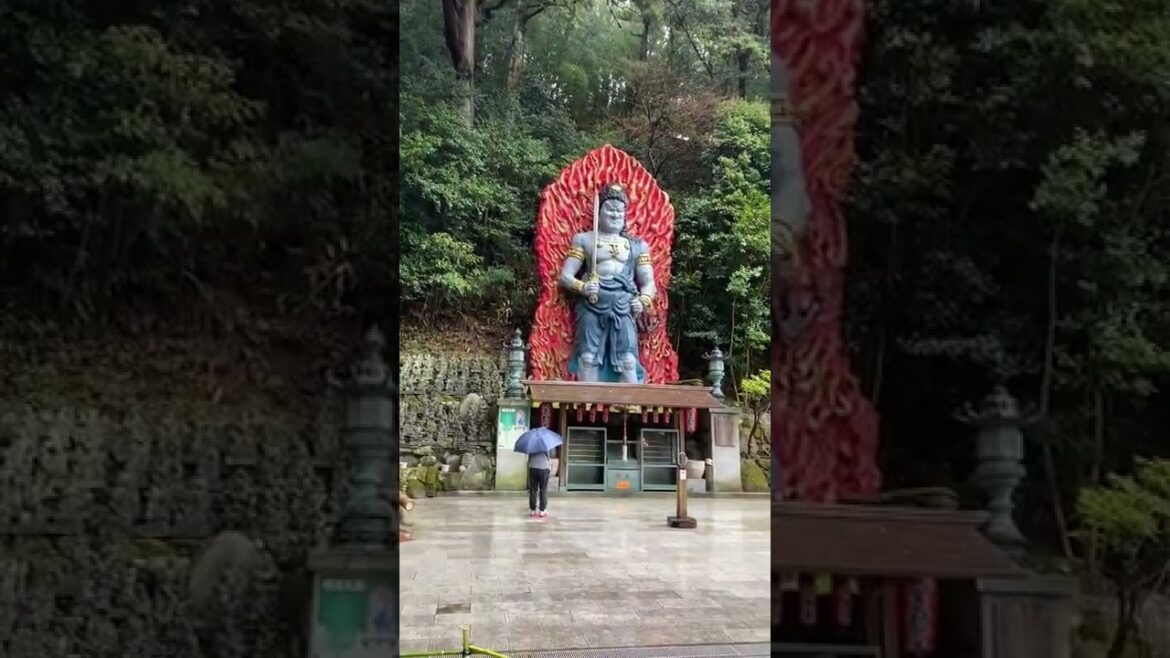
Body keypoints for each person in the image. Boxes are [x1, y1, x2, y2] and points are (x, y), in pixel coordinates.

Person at [528, 450, 552, 517]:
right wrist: (549, 466)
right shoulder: (545, 444)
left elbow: (529, 457)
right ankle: (542, 510)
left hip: (533, 467)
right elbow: (548, 456)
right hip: (544, 468)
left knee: (533, 489)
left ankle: (532, 510)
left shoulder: (531, 445)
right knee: (543, 489)